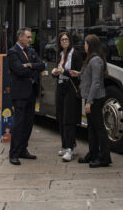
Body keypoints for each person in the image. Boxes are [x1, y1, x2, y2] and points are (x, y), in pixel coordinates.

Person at [7, 27, 45, 165]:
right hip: (20, 93)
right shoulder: (12, 52)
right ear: (20, 37)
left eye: (30, 37)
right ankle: (14, 153)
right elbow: (19, 70)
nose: (30, 40)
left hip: (31, 92)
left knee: (28, 123)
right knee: (19, 123)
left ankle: (23, 149)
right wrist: (32, 69)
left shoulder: (31, 51)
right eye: (28, 37)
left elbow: (42, 65)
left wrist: (29, 65)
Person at [78, 34, 112, 168]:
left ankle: (104, 158)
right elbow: (89, 76)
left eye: (86, 44)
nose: (84, 46)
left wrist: (89, 102)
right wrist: (78, 73)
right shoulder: (91, 59)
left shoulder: (96, 60)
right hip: (90, 97)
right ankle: (92, 154)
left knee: (99, 128)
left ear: (90, 45)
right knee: (91, 128)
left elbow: (96, 82)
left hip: (95, 99)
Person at [51, 32, 83, 162]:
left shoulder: (75, 54)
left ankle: (70, 148)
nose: (64, 41)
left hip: (71, 88)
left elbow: (78, 73)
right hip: (60, 86)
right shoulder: (60, 54)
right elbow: (58, 70)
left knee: (68, 119)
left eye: (66, 39)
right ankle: (66, 145)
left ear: (70, 41)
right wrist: (55, 72)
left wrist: (63, 71)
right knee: (60, 116)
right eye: (62, 40)